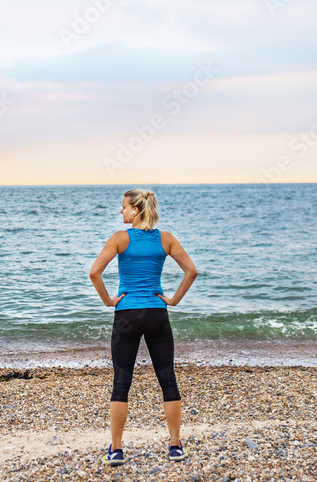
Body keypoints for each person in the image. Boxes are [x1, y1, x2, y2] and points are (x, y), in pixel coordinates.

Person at [88, 188, 198, 467]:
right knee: (167, 379)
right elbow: (191, 271)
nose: (120, 211)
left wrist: (109, 301)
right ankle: (175, 446)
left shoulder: (119, 238)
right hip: (157, 313)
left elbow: (94, 272)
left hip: (127, 315)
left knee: (121, 383)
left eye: (123, 207)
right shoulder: (167, 239)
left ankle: (116, 450)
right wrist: (173, 300)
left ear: (135, 210)